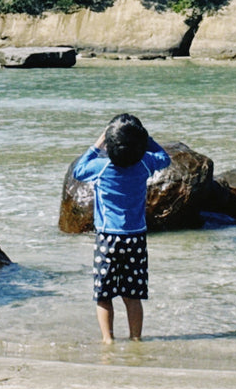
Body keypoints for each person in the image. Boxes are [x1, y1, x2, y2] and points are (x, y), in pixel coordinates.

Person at [70, 113, 171, 344]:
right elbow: (164, 158)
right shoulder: (145, 163)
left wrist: (98, 142)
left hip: (108, 239)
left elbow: (78, 170)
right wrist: (147, 139)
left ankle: (108, 340)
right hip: (135, 239)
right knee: (132, 296)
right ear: (139, 145)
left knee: (104, 295)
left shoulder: (101, 167)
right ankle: (136, 339)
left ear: (111, 145)